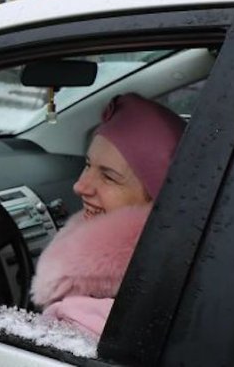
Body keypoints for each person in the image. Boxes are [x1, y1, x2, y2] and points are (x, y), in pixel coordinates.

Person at [30, 93, 185, 338]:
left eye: (109, 176)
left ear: (156, 199)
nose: (80, 186)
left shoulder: (86, 320)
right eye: (88, 164)